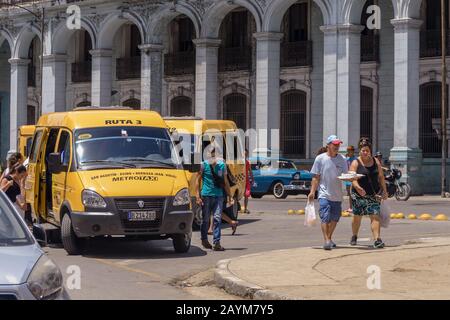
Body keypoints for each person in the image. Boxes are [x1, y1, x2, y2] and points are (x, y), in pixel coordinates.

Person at [308, 135, 349, 250]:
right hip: (323, 193)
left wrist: (351, 180)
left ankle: (329, 238)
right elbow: (316, 177)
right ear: (328, 145)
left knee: (335, 219)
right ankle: (326, 240)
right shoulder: (320, 159)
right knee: (325, 217)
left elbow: (346, 175)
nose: (337, 146)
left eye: (338, 144)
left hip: (337, 195)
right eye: (334, 144)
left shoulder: (342, 159)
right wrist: (312, 192)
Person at [349, 138, 388, 249]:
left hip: (373, 194)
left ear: (370, 151)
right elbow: (352, 178)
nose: (365, 152)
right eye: (363, 150)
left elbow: (381, 177)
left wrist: (384, 191)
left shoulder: (376, 161)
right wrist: (358, 187)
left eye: (367, 150)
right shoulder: (355, 162)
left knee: (375, 216)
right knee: (357, 216)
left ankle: (377, 240)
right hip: (358, 194)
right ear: (360, 151)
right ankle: (354, 235)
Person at [196, 148, 232, 251]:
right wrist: (197, 196)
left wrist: (229, 195)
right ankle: (204, 239)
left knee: (217, 218)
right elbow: (197, 180)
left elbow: (225, 181)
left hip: (219, 196)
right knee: (205, 219)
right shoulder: (203, 165)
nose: (213, 158)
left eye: (215, 156)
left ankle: (217, 243)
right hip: (206, 195)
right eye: (211, 155)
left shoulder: (222, 166)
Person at [345, 146, 357, 213]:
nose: (348, 152)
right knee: (349, 193)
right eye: (348, 151)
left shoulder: (356, 159)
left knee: (354, 193)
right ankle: (350, 207)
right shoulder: (347, 159)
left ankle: (355, 207)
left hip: (354, 178)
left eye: (350, 151)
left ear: (353, 151)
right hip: (348, 178)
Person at [243, 149, 254, 214]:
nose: (245, 155)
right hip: (240, 180)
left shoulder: (247, 162)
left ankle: (245, 208)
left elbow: (250, 171)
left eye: (246, 154)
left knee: (246, 195)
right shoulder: (239, 162)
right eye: (244, 154)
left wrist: (252, 178)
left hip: (246, 180)